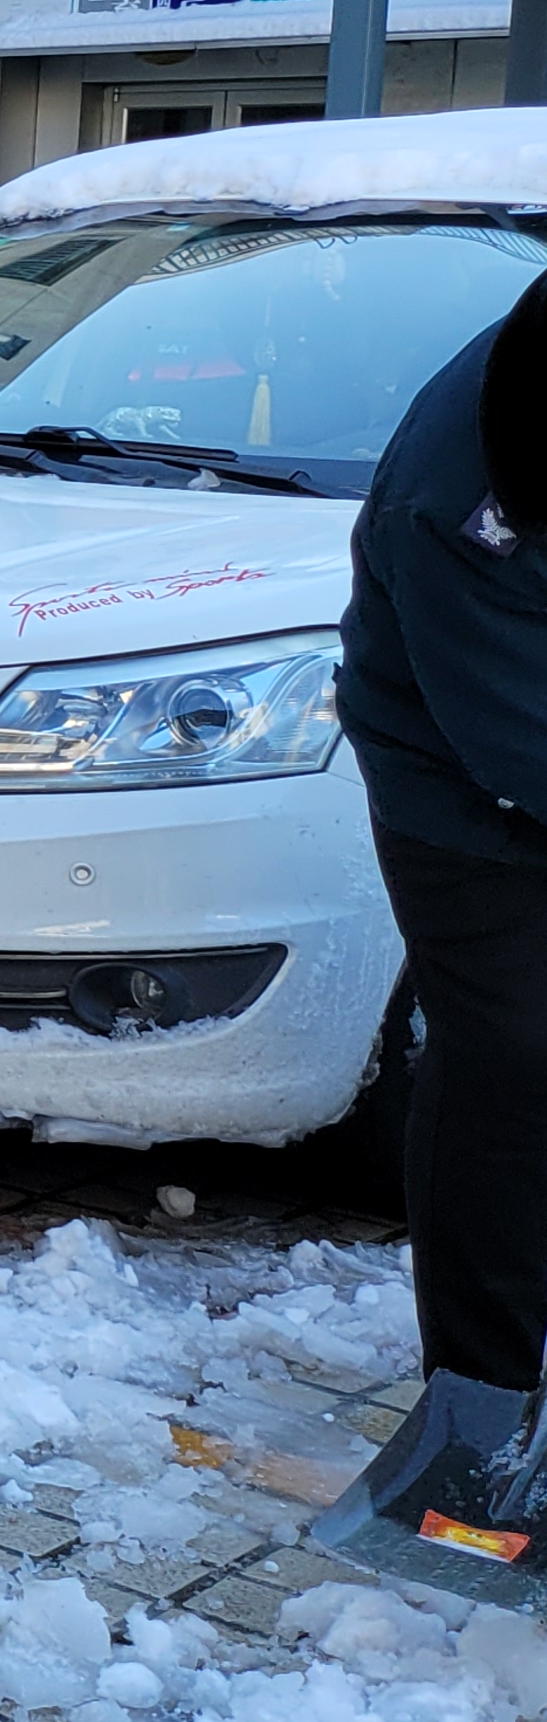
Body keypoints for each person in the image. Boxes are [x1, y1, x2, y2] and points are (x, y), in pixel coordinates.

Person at [341, 266, 547, 1393]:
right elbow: (524, 740)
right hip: (458, 787)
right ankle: (485, 1389)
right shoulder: (462, 506)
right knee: (512, 1059)